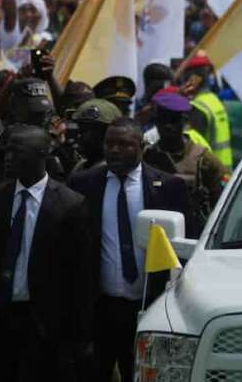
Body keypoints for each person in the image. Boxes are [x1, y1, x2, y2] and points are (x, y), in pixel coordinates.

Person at [68, 118, 188, 382]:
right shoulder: (83, 184)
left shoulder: (169, 187)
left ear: (141, 147)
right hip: (100, 310)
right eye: (109, 144)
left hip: (148, 308)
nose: (114, 150)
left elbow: (185, 248)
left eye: (124, 144)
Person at [0, 124, 93, 381]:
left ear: (41, 154)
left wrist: (78, 336)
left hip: (45, 325)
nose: (8, 158)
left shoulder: (70, 205)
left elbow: (80, 275)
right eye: (6, 151)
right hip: (0, 320)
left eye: (16, 152)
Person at [142, 91, 226, 237]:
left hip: (192, 237)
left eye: (173, 120)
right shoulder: (147, 157)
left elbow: (223, 202)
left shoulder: (204, 159)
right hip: (154, 234)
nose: (168, 126)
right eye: (162, 120)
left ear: (184, 122)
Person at [181, 55, 233, 168]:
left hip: (209, 171)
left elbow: (195, 147)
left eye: (186, 76)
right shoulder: (215, 100)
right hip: (224, 169)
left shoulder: (197, 107)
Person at [62, 98, 122, 176]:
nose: (80, 136)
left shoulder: (115, 172)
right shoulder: (81, 166)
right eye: (81, 129)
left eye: (87, 131)